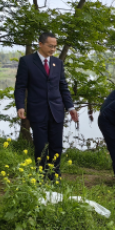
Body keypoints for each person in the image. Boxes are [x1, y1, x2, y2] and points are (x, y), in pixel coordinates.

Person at [14, 32, 79, 174]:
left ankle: (55, 175)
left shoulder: (58, 63)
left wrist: (70, 107)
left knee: (56, 146)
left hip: (56, 111)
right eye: (50, 46)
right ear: (41, 44)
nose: (53, 49)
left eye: (55, 47)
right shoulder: (27, 61)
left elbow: (63, 87)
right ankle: (41, 175)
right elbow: (20, 86)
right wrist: (20, 106)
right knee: (41, 146)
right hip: (37, 111)